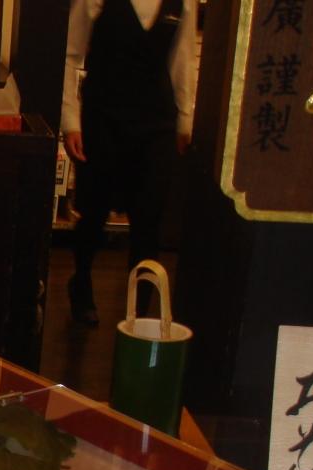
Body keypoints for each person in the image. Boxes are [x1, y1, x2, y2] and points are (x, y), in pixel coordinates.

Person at [61, 0, 196, 326]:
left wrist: (185, 119)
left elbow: (182, 58)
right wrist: (70, 120)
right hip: (103, 115)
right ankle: (81, 282)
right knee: (94, 210)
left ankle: (140, 312)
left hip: (157, 119)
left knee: (149, 217)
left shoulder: (183, 2)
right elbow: (69, 54)